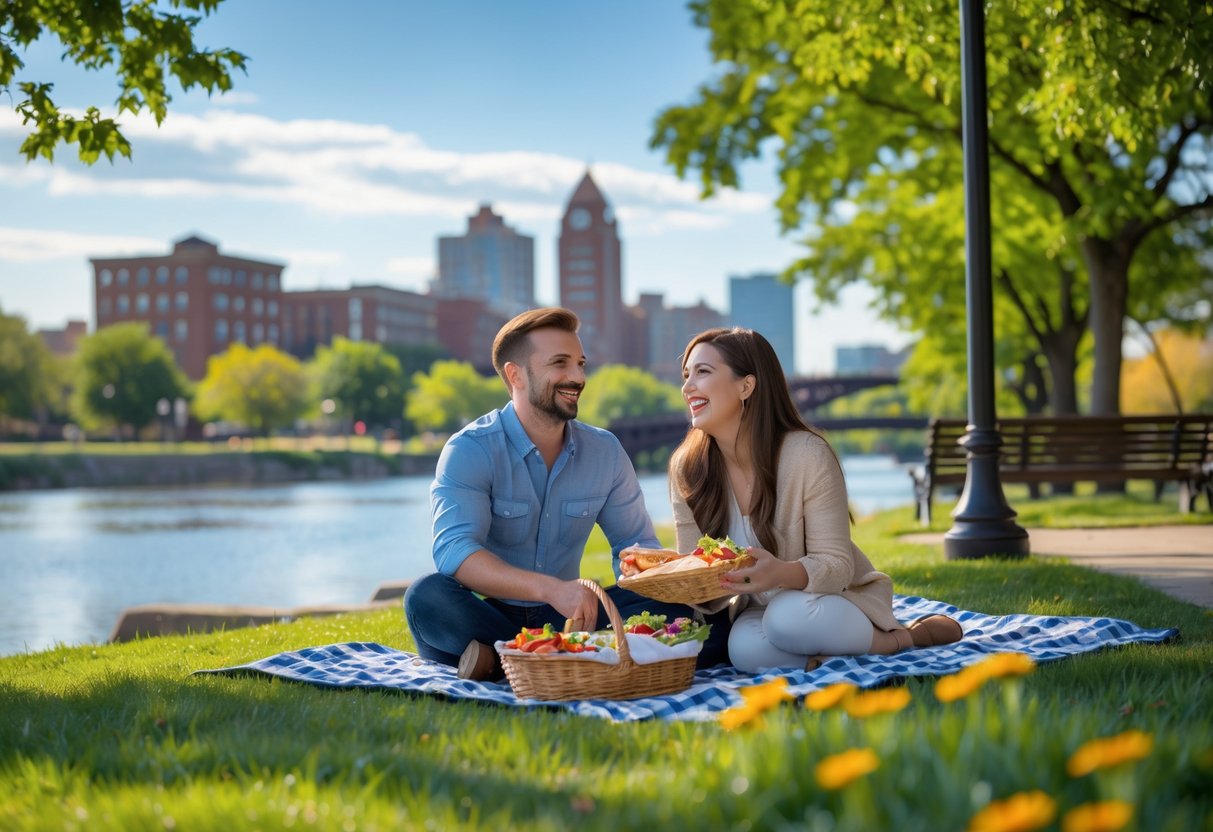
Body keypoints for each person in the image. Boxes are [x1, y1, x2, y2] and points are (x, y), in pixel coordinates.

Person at [405, 307, 730, 680]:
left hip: (575, 617)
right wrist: (552, 589)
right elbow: (455, 552)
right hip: (486, 612)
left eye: (580, 363)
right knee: (426, 597)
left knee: (707, 620)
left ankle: (505, 661)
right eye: (560, 364)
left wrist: (678, 572)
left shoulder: (605, 452)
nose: (577, 377)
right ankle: (574, 658)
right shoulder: (470, 449)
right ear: (516, 375)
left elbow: (636, 546)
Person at [669, 327, 962, 674]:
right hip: (758, 611)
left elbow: (837, 565)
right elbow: (699, 584)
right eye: (686, 375)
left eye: (702, 372)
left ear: (746, 386)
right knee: (743, 650)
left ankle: (902, 639)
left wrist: (780, 573)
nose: (688, 387)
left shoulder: (807, 454)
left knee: (787, 618)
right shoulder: (687, 469)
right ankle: (826, 660)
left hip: (830, 598)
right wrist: (677, 575)